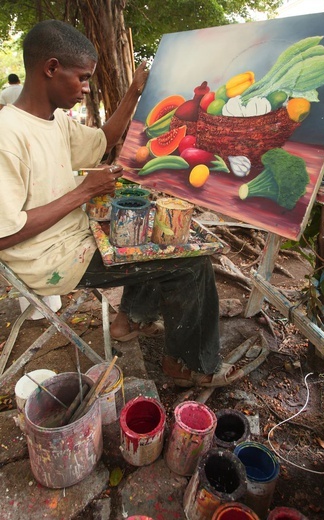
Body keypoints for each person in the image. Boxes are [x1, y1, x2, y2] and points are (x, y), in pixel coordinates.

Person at [0, 20, 235, 388]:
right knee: (191, 264)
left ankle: (131, 319)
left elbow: (105, 138)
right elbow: (4, 234)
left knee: (149, 222)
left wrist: (134, 93)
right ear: (50, 68)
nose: (85, 89)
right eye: (81, 78)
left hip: (72, 234)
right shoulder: (7, 135)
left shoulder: (55, 121)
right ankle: (189, 364)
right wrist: (83, 192)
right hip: (47, 259)